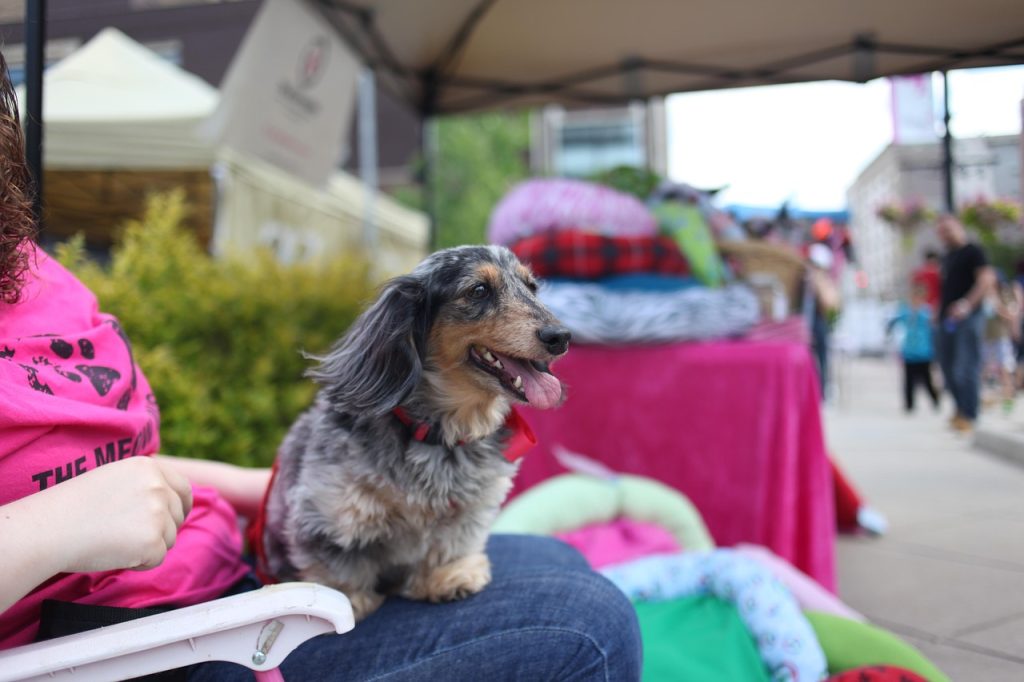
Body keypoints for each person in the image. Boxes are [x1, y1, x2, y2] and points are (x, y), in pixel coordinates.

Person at [0, 52, 641, 680]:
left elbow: (119, 469)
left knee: (565, 563)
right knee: (589, 627)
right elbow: (84, 499)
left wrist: (277, 487)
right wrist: (47, 529)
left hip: (226, 572)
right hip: (143, 646)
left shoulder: (31, 264)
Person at [935, 214, 996, 433]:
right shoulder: (948, 257)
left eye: (948, 229)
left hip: (969, 317)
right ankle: (960, 410)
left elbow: (986, 279)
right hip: (946, 319)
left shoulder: (974, 252)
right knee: (948, 368)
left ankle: (970, 414)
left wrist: (967, 305)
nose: (945, 235)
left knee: (965, 366)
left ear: (959, 227)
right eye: (941, 231)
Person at [888, 283, 940, 413]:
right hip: (909, 352)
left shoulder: (926, 312)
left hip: (923, 352)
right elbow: (894, 321)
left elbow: (933, 325)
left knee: (927, 380)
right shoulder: (905, 311)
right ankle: (909, 404)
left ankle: (935, 399)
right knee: (908, 381)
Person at [980, 275, 1020, 413]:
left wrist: (998, 307)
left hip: (1001, 337)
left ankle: (1008, 401)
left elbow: (1012, 314)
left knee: (1005, 370)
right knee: (983, 371)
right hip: (985, 338)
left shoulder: (1004, 294)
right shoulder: (983, 295)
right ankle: (983, 402)